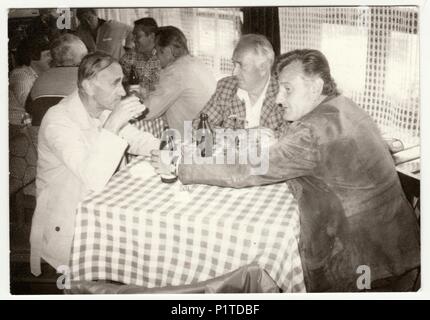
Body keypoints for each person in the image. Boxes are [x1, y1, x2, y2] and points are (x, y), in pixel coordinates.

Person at [151, 49, 420, 292]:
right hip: (397, 246)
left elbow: (244, 171)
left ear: (316, 87)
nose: (279, 99)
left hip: (361, 266)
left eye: (288, 89)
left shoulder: (311, 132)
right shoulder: (344, 106)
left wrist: (179, 165)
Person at [30, 52, 160, 276]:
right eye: (115, 83)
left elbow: (138, 140)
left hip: (99, 207)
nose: (123, 91)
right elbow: (93, 177)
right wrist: (113, 123)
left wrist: (170, 148)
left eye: (123, 82)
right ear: (89, 86)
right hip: (69, 218)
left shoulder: (101, 110)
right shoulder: (58, 120)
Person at [195, 34, 285, 134]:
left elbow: (290, 140)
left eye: (241, 66)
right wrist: (243, 134)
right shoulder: (226, 86)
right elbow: (198, 126)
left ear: (263, 67)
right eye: (234, 64)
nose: (234, 72)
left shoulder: (282, 94)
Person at [142, 26, 216, 137]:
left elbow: (147, 112)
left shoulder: (176, 72)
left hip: (195, 142)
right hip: (210, 134)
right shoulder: (195, 62)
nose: (155, 57)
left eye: (156, 52)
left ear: (167, 51)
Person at [28, 33, 89, 125]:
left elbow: (29, 109)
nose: (88, 59)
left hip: (40, 134)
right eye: (84, 56)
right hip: (73, 134)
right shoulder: (85, 77)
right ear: (69, 59)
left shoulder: (40, 79)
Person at [9, 36, 51, 128]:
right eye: (47, 55)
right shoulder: (20, 75)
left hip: (32, 123)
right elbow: (31, 107)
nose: (52, 58)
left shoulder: (42, 73)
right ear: (33, 57)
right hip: (18, 127)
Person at [119, 17, 161, 93]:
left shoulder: (163, 58)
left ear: (152, 36)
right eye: (133, 36)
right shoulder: (128, 59)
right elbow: (119, 82)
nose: (133, 40)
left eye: (137, 36)